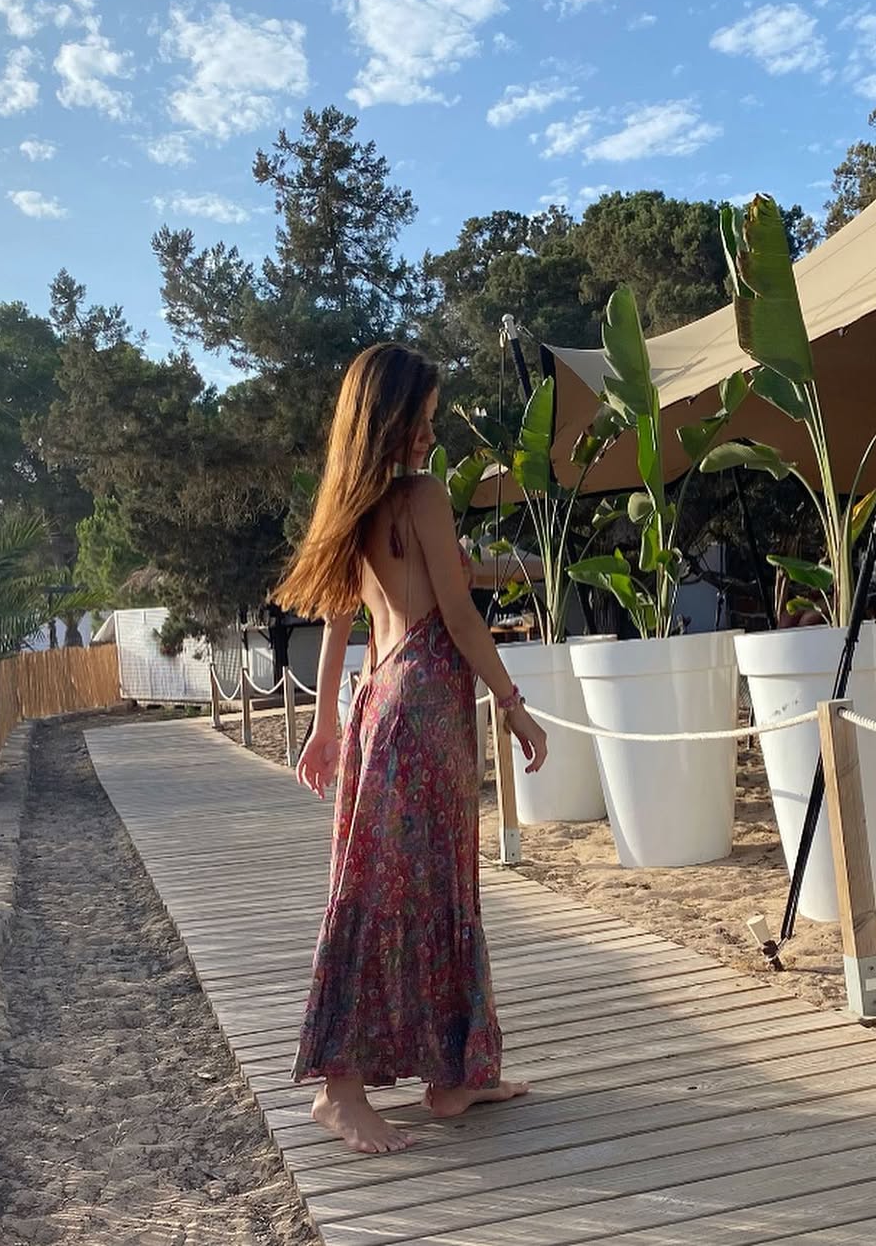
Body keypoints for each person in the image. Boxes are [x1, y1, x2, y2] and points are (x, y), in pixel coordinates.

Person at [273, 343, 548, 1155]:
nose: (431, 434)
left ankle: (457, 1072)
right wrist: (515, 706)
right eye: (421, 419)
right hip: (423, 708)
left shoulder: (354, 505)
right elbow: (458, 618)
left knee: (406, 884)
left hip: (379, 703)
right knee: (404, 890)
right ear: (388, 420)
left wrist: (326, 724)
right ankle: (339, 1091)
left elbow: (338, 623)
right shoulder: (422, 496)